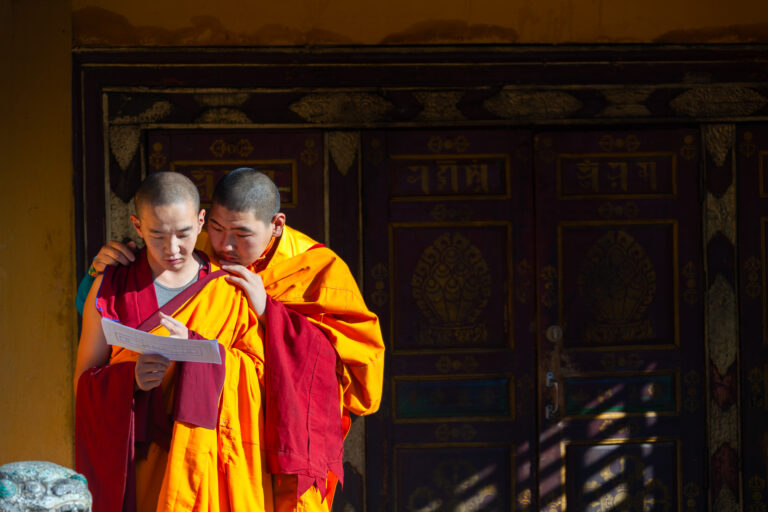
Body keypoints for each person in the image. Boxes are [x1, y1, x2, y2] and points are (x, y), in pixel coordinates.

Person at [76, 169, 385, 511]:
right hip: (156, 451)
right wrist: (97, 273)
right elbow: (108, 311)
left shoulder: (315, 270)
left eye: (241, 234)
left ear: (276, 225)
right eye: (218, 229)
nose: (225, 245)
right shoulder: (194, 246)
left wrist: (270, 312)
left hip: (250, 448)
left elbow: (346, 369)